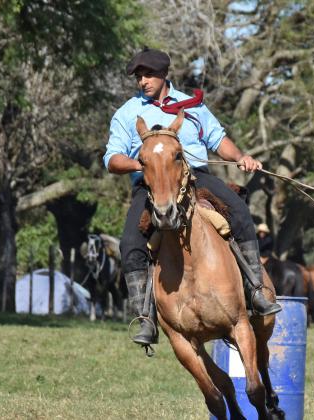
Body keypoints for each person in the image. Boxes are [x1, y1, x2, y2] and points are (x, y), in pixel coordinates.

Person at [104, 47, 281, 346]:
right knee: (130, 242)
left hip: (197, 177)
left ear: (164, 75)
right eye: (138, 76)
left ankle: (256, 292)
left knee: (238, 211)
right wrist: (145, 164)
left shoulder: (193, 107)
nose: (143, 81)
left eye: (148, 75)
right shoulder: (127, 113)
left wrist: (240, 156)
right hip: (151, 184)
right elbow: (112, 159)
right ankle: (145, 317)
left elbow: (218, 139)